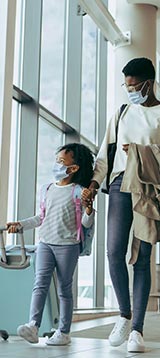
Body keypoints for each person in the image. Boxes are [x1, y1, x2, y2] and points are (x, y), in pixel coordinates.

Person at [85, 57, 160, 353]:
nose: (129, 90)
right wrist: (92, 183)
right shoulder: (123, 112)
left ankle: (137, 329)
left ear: (148, 83)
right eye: (126, 85)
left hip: (148, 189)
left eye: (133, 85)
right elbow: (105, 153)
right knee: (114, 251)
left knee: (142, 257)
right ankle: (124, 315)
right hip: (118, 185)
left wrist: (141, 152)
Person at [7, 143, 95, 346]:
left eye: (61, 161)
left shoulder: (79, 192)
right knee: (40, 284)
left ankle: (63, 332)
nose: (56, 165)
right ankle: (33, 325)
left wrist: (89, 209)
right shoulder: (47, 189)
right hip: (45, 243)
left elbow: (86, 223)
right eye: (57, 161)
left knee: (64, 289)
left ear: (73, 168)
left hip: (68, 246)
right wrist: (21, 224)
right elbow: (41, 217)